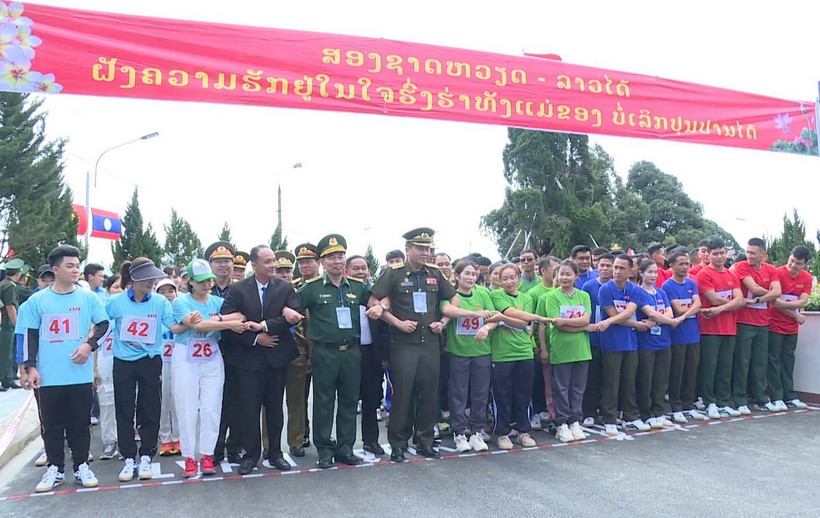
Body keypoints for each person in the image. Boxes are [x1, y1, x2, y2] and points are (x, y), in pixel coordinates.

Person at [366, 228, 476, 462]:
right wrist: (397, 323)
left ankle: (425, 440)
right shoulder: (394, 273)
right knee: (403, 393)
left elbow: (453, 299)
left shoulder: (435, 273)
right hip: (404, 343)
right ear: (408, 249)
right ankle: (398, 443)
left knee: (429, 392)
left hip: (430, 343)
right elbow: (373, 301)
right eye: (420, 248)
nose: (426, 253)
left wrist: (443, 321)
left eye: (428, 249)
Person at [23, 245, 109, 493]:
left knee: (80, 423)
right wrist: (29, 368)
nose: (75, 270)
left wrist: (89, 345)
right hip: (48, 376)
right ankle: (55, 468)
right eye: (69, 266)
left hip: (79, 375)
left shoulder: (88, 298)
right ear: (55, 269)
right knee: (51, 425)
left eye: (77, 265)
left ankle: (82, 466)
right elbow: (28, 336)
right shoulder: (37, 301)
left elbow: (104, 326)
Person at [220, 245, 303, 475]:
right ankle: (251, 455)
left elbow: (293, 316)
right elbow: (227, 323)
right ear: (254, 265)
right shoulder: (238, 290)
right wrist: (256, 338)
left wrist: (264, 326)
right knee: (249, 410)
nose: (273, 265)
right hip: (247, 360)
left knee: (275, 409)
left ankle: (275, 452)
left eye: (274, 260)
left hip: (277, 358)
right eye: (267, 262)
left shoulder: (284, 288)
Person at [297, 234, 370, 469]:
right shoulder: (312, 288)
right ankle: (325, 449)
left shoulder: (358, 287)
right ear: (321, 262)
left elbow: (378, 301)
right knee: (323, 402)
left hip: (351, 352)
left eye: (340, 256)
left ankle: (345, 448)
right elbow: (291, 309)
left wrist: (382, 306)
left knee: (349, 400)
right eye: (331, 257)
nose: (337, 261)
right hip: (324, 352)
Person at [106, 258, 182, 482]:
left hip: (150, 361)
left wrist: (192, 322)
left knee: (150, 408)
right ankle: (129, 457)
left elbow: (173, 326)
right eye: (147, 278)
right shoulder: (116, 302)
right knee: (124, 409)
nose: (151, 282)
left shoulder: (160, 302)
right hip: (123, 362)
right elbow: (100, 322)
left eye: (153, 278)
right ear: (134, 279)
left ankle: (147, 455)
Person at [172, 259, 246, 478]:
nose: (207, 284)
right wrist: (225, 324)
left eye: (209, 280)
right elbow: (197, 325)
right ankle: (189, 457)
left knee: (211, 407)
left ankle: (207, 455)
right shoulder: (180, 301)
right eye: (201, 281)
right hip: (185, 356)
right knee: (186, 407)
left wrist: (218, 319)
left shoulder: (217, 302)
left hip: (211, 356)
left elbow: (240, 316)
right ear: (190, 282)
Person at [440, 260, 496, 452]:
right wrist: (475, 314)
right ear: (457, 276)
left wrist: (487, 328)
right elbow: (447, 310)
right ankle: (459, 432)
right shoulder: (450, 295)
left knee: (480, 393)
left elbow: (494, 317)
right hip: (458, 353)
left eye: (474, 274)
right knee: (458, 393)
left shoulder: (483, 294)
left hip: (482, 352)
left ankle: (476, 431)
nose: (471, 277)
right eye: (467, 273)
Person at [486, 264, 539, 449]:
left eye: (512, 277)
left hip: (524, 351)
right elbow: (512, 313)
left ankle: (523, 431)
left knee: (523, 394)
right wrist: (508, 318)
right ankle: (503, 433)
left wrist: (502, 318)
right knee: (502, 395)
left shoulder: (527, 298)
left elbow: (524, 322)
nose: (509, 282)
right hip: (502, 354)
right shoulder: (495, 295)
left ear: (518, 277)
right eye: (505, 278)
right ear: (499, 280)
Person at [541, 260, 592, 442]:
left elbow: (586, 319)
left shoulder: (584, 296)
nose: (564, 277)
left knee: (577, 388)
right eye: (561, 274)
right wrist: (582, 326)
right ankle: (561, 423)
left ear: (576, 276)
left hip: (581, 349)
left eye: (568, 274)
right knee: (561, 389)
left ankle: (575, 421)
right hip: (561, 349)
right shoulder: (551, 297)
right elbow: (557, 323)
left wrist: (570, 322)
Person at [597, 255, 648, 435]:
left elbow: (628, 313)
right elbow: (615, 316)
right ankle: (609, 418)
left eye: (621, 268)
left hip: (631, 342)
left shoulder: (635, 290)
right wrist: (637, 324)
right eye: (615, 267)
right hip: (611, 343)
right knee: (611, 382)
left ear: (630, 271)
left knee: (629, 381)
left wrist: (609, 321)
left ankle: (630, 416)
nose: (617, 271)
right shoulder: (605, 289)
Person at [696, 238, 745, 419]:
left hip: (729, 329)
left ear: (726, 253)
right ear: (708, 255)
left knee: (725, 369)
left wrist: (720, 309)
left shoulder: (732, 275)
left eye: (722, 253)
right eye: (715, 253)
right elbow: (714, 299)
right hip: (709, 330)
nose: (719, 257)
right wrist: (732, 304)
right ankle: (709, 402)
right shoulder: (703, 274)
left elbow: (740, 301)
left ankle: (723, 402)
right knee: (710, 368)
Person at [731, 238, 781, 415]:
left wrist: (761, 299)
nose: (749, 256)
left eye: (753, 253)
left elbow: (777, 291)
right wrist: (771, 295)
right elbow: (754, 287)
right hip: (744, 322)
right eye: (748, 252)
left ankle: (761, 399)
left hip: (763, 322)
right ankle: (740, 399)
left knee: (761, 362)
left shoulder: (771, 269)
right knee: (742, 362)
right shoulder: (742, 266)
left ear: (763, 255)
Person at [207, 241, 243, 464]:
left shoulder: (242, 288)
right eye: (218, 261)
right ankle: (215, 447)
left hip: (238, 350)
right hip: (210, 351)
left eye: (227, 261)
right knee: (214, 403)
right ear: (210, 264)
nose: (223, 265)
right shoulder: (202, 290)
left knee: (237, 401)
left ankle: (235, 446)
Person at [635, 260, 681, 429]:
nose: (653, 275)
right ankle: (646, 413)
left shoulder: (661, 292)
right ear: (641, 273)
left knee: (660, 380)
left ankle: (659, 411)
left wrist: (657, 322)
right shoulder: (638, 292)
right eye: (650, 272)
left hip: (663, 341)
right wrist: (668, 321)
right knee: (646, 379)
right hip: (646, 343)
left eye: (655, 272)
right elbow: (650, 312)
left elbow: (669, 312)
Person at [768, 245, 813, 411]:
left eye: (798, 263)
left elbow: (802, 301)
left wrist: (785, 305)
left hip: (792, 329)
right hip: (774, 325)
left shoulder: (807, 278)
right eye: (791, 260)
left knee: (788, 361)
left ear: (805, 264)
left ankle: (789, 396)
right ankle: (776, 397)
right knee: (774, 361)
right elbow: (774, 302)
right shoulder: (777, 273)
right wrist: (796, 315)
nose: (793, 265)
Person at [662, 249, 705, 423]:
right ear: (672, 266)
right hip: (677, 336)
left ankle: (688, 405)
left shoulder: (691, 283)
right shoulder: (668, 286)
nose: (685, 267)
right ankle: (676, 407)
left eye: (687, 263)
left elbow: (698, 304)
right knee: (677, 372)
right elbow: (678, 309)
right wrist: (690, 310)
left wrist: (686, 313)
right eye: (681, 264)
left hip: (693, 334)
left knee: (691, 372)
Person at [290, 243, 319, 456]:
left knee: (322, 397)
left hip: (322, 348)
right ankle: (303, 434)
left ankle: (320, 435)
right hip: (301, 349)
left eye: (309, 261)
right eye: (301, 262)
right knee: (299, 397)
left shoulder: (324, 285)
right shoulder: (293, 288)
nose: (305, 266)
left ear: (318, 263)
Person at [580, 253, 614, 426]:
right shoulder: (588, 286)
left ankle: (608, 411)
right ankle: (589, 412)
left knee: (609, 378)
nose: (605, 269)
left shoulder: (617, 286)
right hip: (593, 337)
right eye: (602, 265)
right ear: (597, 267)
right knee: (592, 377)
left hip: (612, 338)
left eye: (609, 266)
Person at [529, 255, 561, 430]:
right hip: (541, 345)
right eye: (555, 269)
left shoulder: (563, 291)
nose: (559, 273)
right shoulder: (534, 293)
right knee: (539, 382)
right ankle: (537, 412)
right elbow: (532, 323)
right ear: (543, 271)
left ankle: (555, 413)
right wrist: (536, 346)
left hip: (560, 345)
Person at [156, 278, 180, 456]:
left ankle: (178, 438)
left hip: (179, 362)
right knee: (163, 401)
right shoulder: (154, 313)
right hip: (160, 362)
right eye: (162, 292)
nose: (167, 295)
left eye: (170, 291)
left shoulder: (181, 312)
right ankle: (165, 438)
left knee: (179, 400)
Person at [0, 257, 24, 390]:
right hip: (6, 323)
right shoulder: (10, 286)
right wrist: (17, 325)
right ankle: (6, 379)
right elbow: (10, 307)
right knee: (7, 352)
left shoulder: (3, 284)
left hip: (4, 321)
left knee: (6, 351)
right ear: (18, 273)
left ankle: (7, 377)